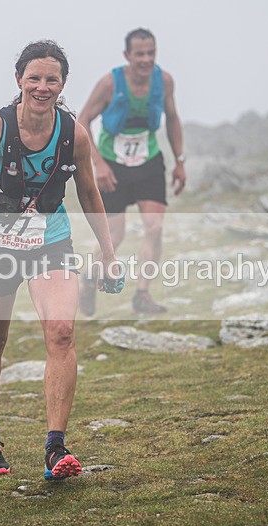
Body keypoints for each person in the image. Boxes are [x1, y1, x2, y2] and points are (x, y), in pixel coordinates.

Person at [0, 40, 123, 480]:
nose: (42, 86)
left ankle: (56, 448)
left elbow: (89, 193)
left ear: (62, 84)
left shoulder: (74, 134)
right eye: (34, 78)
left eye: (52, 79)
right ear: (19, 81)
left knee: (62, 333)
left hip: (50, 240)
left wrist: (108, 253)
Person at [78, 28, 187, 315]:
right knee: (114, 236)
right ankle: (88, 280)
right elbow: (83, 120)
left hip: (149, 160)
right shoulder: (110, 84)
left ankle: (142, 295)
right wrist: (98, 163)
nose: (146, 59)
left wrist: (180, 160)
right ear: (127, 55)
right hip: (112, 163)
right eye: (140, 53)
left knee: (155, 227)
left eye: (151, 52)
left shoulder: (164, 81)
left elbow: (173, 118)